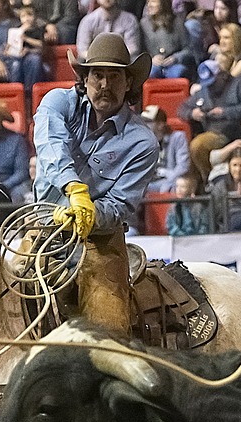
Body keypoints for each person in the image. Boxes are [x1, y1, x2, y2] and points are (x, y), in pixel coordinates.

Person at [34, 32, 158, 335]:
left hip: (99, 244)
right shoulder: (57, 102)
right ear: (85, 79)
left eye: (114, 77)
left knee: (108, 328)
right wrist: (74, 189)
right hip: (40, 231)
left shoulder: (143, 143)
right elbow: (51, 144)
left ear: (128, 83)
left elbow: (119, 206)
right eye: (97, 76)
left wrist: (85, 214)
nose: (104, 85)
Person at [179, 53, 241, 180]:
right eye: (207, 84)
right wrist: (192, 113)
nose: (210, 87)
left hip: (237, 132)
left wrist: (225, 112)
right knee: (193, 148)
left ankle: (210, 179)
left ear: (222, 75)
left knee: (198, 145)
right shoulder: (204, 91)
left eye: (213, 83)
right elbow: (181, 108)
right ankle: (208, 179)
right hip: (212, 131)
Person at [0, 0, 46, 96]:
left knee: (34, 59)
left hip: (18, 62)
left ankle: (29, 98)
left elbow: (40, 46)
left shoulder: (19, 24)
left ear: (5, 5)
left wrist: (27, 50)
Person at [144, 105, 190, 193]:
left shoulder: (177, 137)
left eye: (148, 122)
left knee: (176, 186)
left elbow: (183, 167)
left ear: (160, 125)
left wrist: (167, 179)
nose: (144, 125)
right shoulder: (144, 141)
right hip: (149, 184)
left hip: (169, 182)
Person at [142, 0, 193, 80]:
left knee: (179, 72)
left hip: (174, 65)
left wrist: (175, 58)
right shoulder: (144, 24)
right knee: (151, 73)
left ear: (163, 3)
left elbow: (188, 49)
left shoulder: (178, 22)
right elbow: (140, 51)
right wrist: (151, 59)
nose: (149, 5)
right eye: (148, 2)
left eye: (153, 1)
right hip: (153, 65)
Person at [76, 0, 143, 60]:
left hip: (122, 62)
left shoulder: (130, 20)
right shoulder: (88, 21)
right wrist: (101, 59)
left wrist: (113, 59)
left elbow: (133, 48)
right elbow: (83, 50)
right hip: (94, 63)